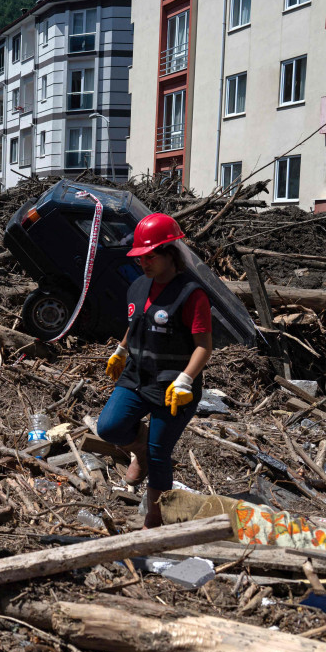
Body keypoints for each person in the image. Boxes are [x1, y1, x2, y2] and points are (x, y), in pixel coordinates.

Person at [97, 213, 213, 529]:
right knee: (109, 427)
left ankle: (154, 519)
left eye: (150, 256)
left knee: (161, 453)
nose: (143, 263)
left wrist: (186, 379)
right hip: (138, 375)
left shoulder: (191, 294)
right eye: (140, 257)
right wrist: (121, 350)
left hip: (173, 385)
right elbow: (136, 322)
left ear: (170, 254)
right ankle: (141, 451)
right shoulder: (138, 286)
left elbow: (204, 346)